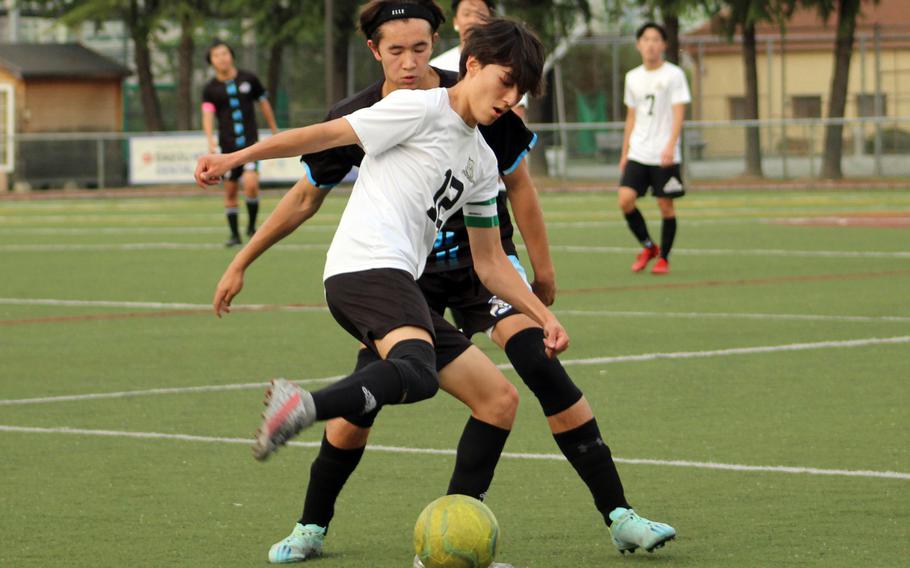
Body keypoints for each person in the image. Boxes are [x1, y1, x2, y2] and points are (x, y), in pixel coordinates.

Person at [255, 3, 676, 564]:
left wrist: (543, 278)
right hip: (402, 274)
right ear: (376, 50)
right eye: (396, 50)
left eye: (420, 48)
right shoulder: (386, 112)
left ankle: (616, 516)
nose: (409, 61)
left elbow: (515, 199)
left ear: (443, 44)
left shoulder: (489, 110)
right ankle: (311, 524)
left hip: (482, 271)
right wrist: (243, 255)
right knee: (366, 403)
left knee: (528, 379)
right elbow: (307, 191)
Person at [195, 13, 573, 565]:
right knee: (415, 373)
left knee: (497, 401)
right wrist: (235, 158)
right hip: (363, 266)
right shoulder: (418, 107)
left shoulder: (483, 160)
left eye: (520, 92)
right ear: (471, 65)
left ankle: (443, 545)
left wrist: (543, 314)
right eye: (504, 81)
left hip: (397, 283)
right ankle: (301, 406)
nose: (510, 98)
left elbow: (490, 264)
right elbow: (323, 136)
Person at [618, 22, 691, 274]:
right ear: (639, 44)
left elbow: (679, 113)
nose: (651, 44)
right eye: (646, 39)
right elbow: (631, 117)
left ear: (664, 44)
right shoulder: (632, 77)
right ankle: (649, 246)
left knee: (665, 206)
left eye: (656, 39)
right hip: (639, 150)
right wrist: (625, 152)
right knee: (625, 200)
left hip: (664, 152)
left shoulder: (673, 75)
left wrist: (671, 146)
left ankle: (665, 258)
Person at [202, 40, 279, 247]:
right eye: (217, 55)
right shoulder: (210, 89)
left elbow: (263, 103)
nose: (222, 58)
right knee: (230, 191)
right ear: (211, 62)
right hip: (226, 149)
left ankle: (252, 227)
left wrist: (274, 130)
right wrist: (209, 140)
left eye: (225, 53)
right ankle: (234, 235)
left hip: (250, 146)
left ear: (232, 55)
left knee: (252, 184)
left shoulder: (249, 79)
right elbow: (207, 115)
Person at [431, 0, 528, 118]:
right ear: (455, 21)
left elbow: (516, 121)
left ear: (491, 20)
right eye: (466, 14)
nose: (473, 20)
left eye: (480, 15)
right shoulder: (437, 66)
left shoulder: (509, 64)